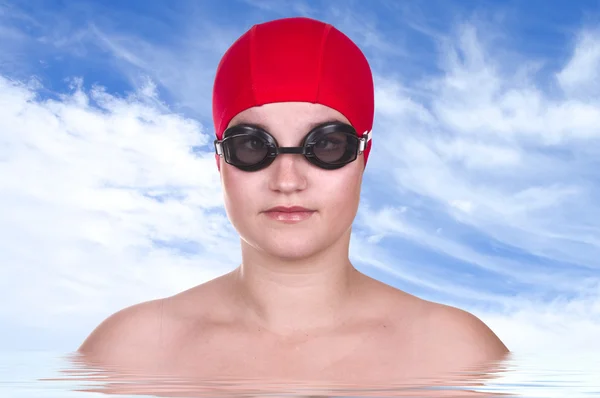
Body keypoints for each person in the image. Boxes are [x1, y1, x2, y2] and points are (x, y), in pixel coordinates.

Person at [76, 16, 509, 386]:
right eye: (252, 147)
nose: (287, 180)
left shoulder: (456, 355)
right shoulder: (127, 354)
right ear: (219, 161)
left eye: (325, 147)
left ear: (363, 157)